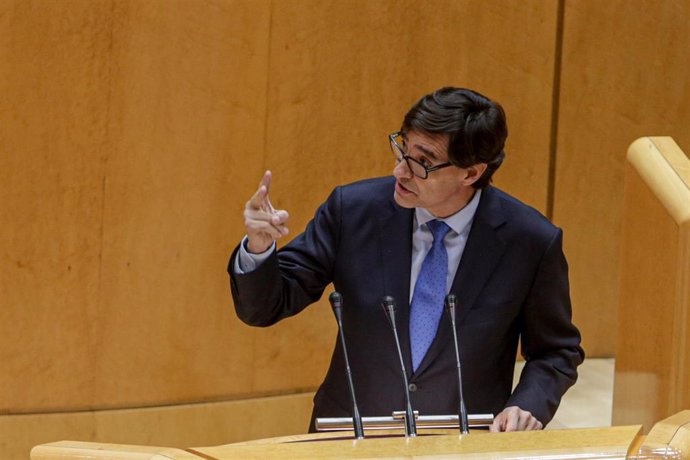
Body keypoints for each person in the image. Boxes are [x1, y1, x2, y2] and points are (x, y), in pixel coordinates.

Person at [228, 87, 584, 433]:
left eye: (423, 163)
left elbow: (555, 352)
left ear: (471, 173)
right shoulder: (352, 211)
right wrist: (259, 249)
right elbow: (265, 307)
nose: (400, 171)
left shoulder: (530, 241)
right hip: (352, 439)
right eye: (403, 150)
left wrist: (527, 404)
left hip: (462, 445)